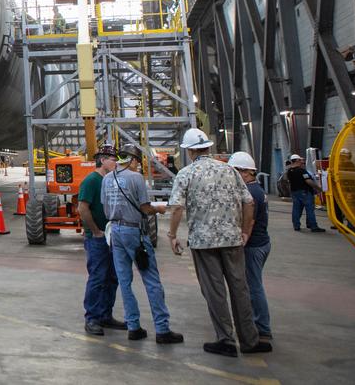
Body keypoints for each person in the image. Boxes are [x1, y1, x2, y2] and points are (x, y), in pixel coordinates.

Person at [167, 128, 269, 357]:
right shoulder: (230, 171)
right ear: (207, 147)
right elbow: (249, 202)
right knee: (240, 289)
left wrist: (172, 236)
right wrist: (244, 232)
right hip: (232, 239)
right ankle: (250, 341)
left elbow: (176, 208)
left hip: (204, 243)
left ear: (190, 151)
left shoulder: (186, 174)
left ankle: (226, 340)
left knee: (215, 291)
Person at [101, 146, 182, 344]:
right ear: (132, 160)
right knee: (151, 279)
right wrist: (160, 209)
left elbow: (105, 207)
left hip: (116, 233)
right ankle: (162, 329)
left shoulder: (106, 179)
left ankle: (133, 327)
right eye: (137, 161)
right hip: (134, 232)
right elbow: (145, 208)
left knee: (125, 281)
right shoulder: (135, 178)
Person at [77, 143, 123, 336]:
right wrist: (95, 231)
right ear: (102, 160)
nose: (116, 163)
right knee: (98, 277)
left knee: (112, 277)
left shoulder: (112, 180)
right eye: (113, 160)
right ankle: (92, 318)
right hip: (98, 239)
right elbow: (82, 208)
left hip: (112, 237)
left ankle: (105, 315)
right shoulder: (92, 181)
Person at [228, 152, 272, 341]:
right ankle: (258, 322)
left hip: (253, 246)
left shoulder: (251, 193)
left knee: (253, 286)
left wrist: (241, 241)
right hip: (262, 243)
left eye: (235, 172)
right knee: (252, 284)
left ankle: (262, 326)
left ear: (245, 172)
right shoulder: (256, 189)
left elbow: (250, 221)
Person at [285, 154, 325, 232]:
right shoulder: (301, 171)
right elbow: (308, 181)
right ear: (296, 160)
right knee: (309, 209)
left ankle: (296, 225)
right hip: (304, 192)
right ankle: (313, 226)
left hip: (294, 192)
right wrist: (318, 188)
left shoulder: (289, 171)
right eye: (300, 160)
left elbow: (288, 182)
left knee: (296, 209)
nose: (302, 162)